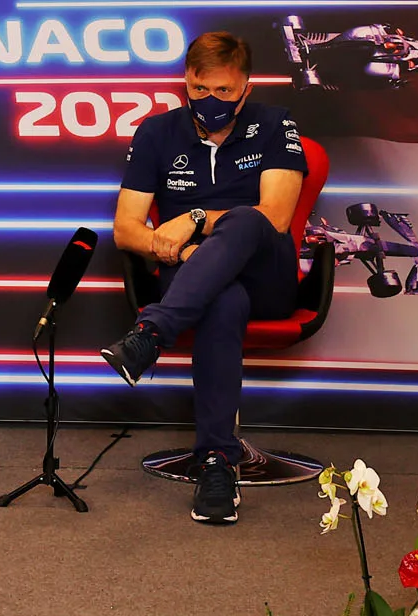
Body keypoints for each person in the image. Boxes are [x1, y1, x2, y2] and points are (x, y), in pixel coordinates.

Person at [99, 31, 306, 526]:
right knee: (221, 299)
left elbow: (276, 217)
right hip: (194, 275)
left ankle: (151, 333)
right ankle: (217, 463)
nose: (210, 101)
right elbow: (127, 230)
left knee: (248, 219)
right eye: (199, 90)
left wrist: (193, 218)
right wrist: (191, 252)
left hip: (268, 276)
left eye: (224, 91)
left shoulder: (275, 124)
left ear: (246, 88)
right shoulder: (156, 132)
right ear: (185, 84)